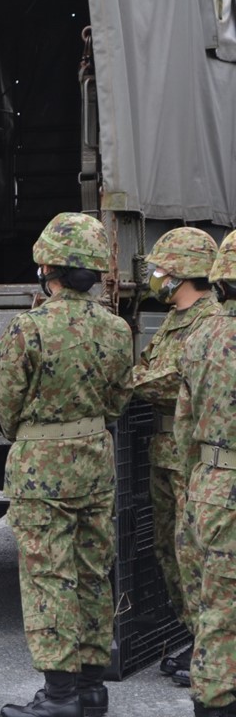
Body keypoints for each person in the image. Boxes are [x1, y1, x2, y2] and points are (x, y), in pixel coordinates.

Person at [0, 213, 134, 717]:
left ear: (47, 268)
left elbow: (3, 404)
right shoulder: (117, 329)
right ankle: (92, 689)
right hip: (95, 458)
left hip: (41, 468)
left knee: (49, 575)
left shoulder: (30, 327)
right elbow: (117, 403)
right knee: (93, 570)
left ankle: (60, 697)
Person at [131, 227, 219, 683]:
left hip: (189, 455)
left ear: (182, 272)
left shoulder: (211, 321)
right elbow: (155, 370)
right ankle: (195, 636)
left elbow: (169, 380)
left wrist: (130, 381)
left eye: (161, 269)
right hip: (163, 451)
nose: (155, 276)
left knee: (197, 555)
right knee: (169, 551)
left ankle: (211, 650)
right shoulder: (173, 319)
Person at [174, 229, 236, 717]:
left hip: (214, 485)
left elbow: (185, 429)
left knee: (217, 605)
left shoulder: (200, 338)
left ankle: (213, 702)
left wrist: (196, 483)